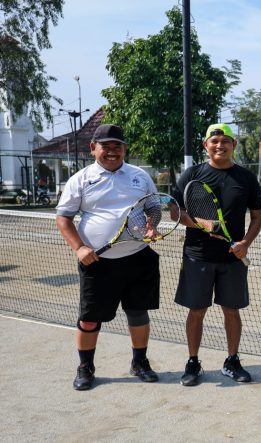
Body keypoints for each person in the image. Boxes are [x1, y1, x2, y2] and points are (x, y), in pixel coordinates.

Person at [56, 124, 161, 391]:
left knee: (138, 313)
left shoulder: (140, 176)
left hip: (138, 257)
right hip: (97, 263)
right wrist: (79, 248)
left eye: (118, 146)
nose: (112, 151)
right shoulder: (81, 179)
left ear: (125, 149)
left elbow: (153, 208)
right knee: (90, 318)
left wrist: (152, 225)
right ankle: (85, 368)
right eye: (106, 146)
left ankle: (139, 362)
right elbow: (64, 218)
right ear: (93, 148)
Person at [173, 123, 261, 387]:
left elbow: (257, 216)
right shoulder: (192, 174)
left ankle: (232, 360)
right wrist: (203, 224)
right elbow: (175, 211)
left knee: (232, 311)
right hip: (197, 256)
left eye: (225, 141)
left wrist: (246, 242)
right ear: (206, 145)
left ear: (233, 145)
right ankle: (193, 362)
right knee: (196, 311)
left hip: (233, 258)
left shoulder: (246, 178)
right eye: (214, 141)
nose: (220, 145)